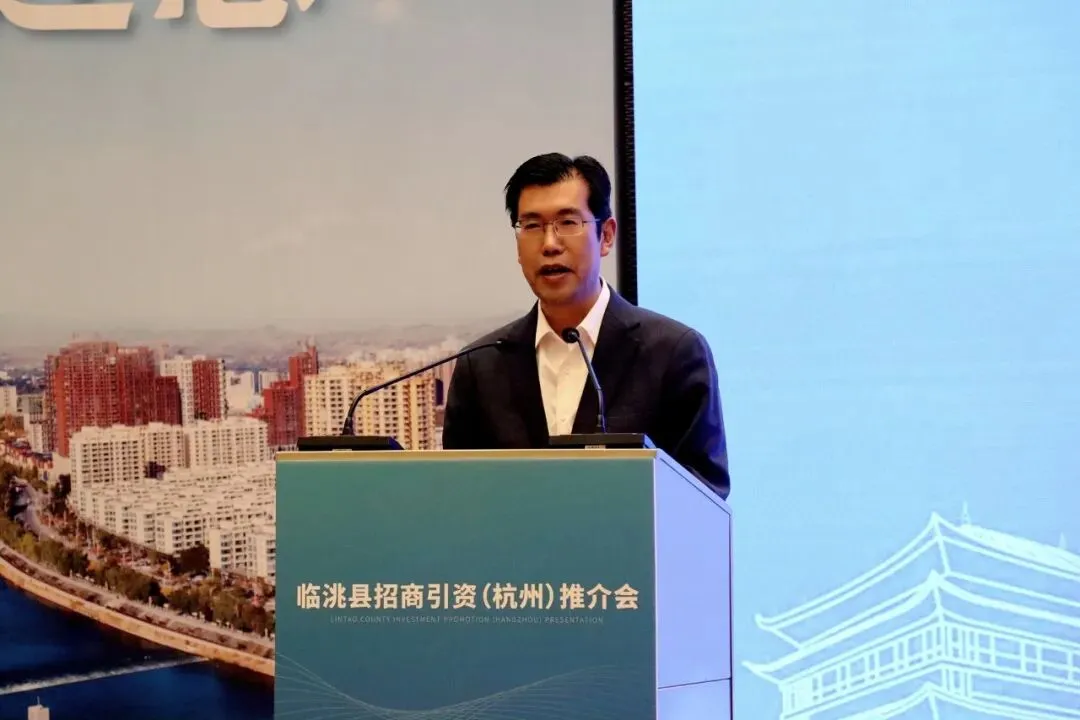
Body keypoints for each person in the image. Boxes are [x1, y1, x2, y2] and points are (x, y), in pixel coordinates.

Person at [442, 152, 730, 499]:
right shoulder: (481, 365)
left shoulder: (673, 353)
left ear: (606, 236)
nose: (550, 244)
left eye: (568, 222)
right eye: (531, 226)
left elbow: (705, 498)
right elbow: (460, 495)